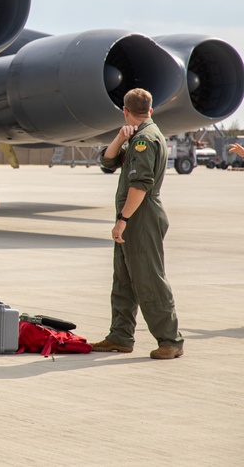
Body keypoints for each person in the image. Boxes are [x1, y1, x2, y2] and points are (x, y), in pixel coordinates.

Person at [91, 88, 184, 360]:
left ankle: (170, 340)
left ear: (125, 110)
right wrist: (121, 136)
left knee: (148, 278)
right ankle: (120, 336)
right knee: (124, 278)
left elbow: (140, 185)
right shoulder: (137, 135)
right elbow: (107, 161)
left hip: (141, 216)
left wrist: (123, 220)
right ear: (150, 110)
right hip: (135, 215)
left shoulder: (145, 139)